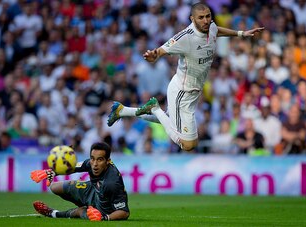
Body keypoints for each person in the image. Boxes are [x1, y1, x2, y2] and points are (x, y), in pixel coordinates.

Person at [107, 2, 264, 151]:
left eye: (208, 16)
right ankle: (154, 108)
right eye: (201, 18)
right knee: (188, 145)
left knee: (167, 119)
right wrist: (154, 55)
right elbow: (162, 50)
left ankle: (123, 111)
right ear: (192, 19)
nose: (206, 21)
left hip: (193, 90)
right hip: (182, 91)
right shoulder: (185, 37)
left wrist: (241, 33)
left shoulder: (211, 26)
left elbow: (217, 30)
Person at [30, 142, 130, 221]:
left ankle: (53, 213)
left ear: (108, 161)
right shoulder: (91, 163)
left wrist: (105, 218)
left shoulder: (112, 183)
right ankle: (83, 206)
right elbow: (72, 167)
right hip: (92, 191)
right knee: (55, 187)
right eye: (92, 158)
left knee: (81, 212)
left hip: (103, 208)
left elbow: (124, 212)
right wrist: (53, 172)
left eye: (99, 160)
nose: (95, 164)